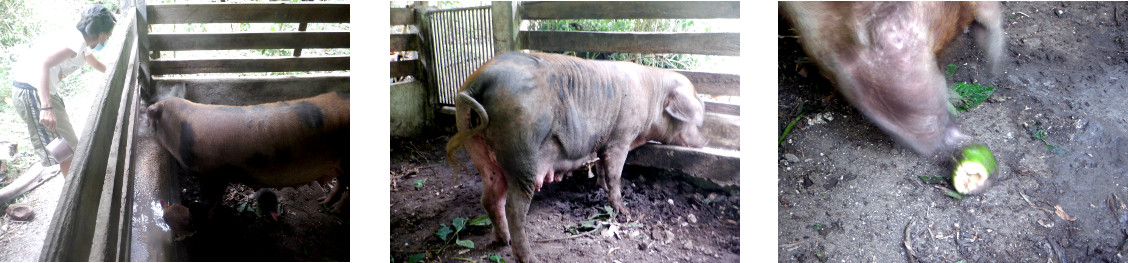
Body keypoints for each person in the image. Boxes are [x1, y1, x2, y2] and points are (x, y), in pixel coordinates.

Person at [11, 5, 116, 178]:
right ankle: (74, 190)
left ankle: (74, 183)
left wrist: (120, 71)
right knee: (66, 147)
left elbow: (96, 64)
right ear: (102, 34)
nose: (108, 38)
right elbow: (44, 64)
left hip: (42, 90)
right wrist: (46, 107)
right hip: (32, 91)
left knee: (68, 145)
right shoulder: (76, 43)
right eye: (109, 35)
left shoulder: (82, 41)